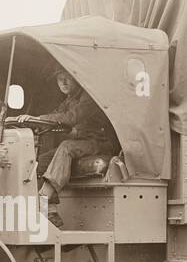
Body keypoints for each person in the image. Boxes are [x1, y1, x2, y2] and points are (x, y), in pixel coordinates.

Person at [10, 70, 118, 227]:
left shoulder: (89, 98)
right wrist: (31, 120)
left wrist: (39, 119)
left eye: (68, 78)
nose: (63, 83)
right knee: (40, 162)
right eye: (60, 80)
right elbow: (56, 115)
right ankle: (51, 212)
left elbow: (71, 118)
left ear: (77, 78)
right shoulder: (69, 100)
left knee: (66, 147)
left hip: (101, 143)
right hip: (82, 144)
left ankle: (45, 197)